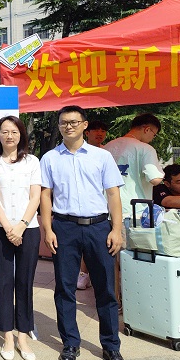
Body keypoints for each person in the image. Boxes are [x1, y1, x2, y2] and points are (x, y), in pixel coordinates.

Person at [41, 105, 128, 360]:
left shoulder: (102, 157)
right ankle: (70, 343)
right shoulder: (50, 158)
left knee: (105, 288)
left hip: (98, 227)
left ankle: (111, 346)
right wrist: (48, 228)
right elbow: (45, 195)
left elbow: (113, 194)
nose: (68, 126)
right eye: (64, 122)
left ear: (84, 125)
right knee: (65, 287)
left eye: (74, 122)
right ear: (59, 126)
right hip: (64, 227)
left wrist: (116, 229)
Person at [0, 116, 41, 360]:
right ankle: (7, 335)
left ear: (21, 135)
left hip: (29, 228)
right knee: (4, 282)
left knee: (25, 282)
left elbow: (35, 196)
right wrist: (9, 228)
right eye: (5, 131)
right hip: (0, 229)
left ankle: (23, 336)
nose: (9, 136)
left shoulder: (32, 161)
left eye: (14, 132)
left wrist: (21, 226)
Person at [104, 113, 163, 220]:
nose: (152, 139)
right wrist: (162, 173)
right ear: (147, 129)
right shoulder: (145, 149)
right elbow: (155, 179)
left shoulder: (107, 146)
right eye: (154, 135)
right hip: (135, 212)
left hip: (107, 210)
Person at [78, 120, 110, 290]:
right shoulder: (77, 153)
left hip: (104, 207)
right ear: (87, 132)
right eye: (96, 130)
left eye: (103, 130)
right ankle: (83, 274)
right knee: (85, 246)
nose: (100, 133)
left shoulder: (107, 153)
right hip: (83, 208)